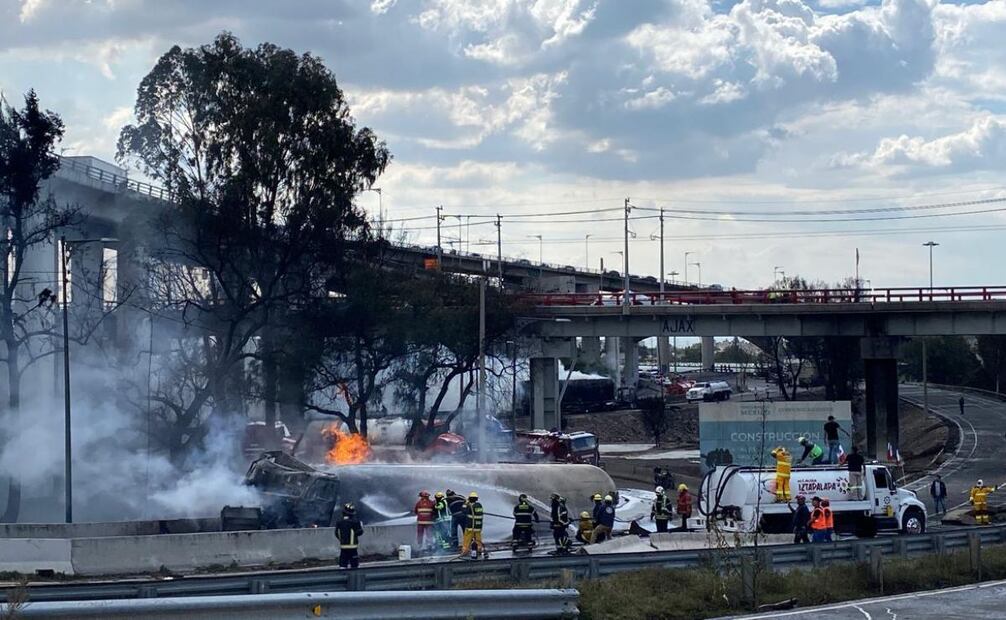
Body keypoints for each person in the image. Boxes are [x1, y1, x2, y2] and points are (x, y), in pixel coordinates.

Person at [459, 491, 489, 559]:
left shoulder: (469, 506)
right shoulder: (479, 505)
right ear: (476, 499)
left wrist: (465, 503)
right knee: (478, 539)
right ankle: (479, 550)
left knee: (467, 539)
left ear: (470, 498)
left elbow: (463, 511)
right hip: (478, 527)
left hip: (470, 527)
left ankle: (465, 551)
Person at [335, 502, 364, 569]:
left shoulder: (339, 522)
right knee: (354, 565)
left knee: (342, 565)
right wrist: (361, 527)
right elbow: (359, 532)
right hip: (353, 547)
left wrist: (342, 540)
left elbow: (336, 533)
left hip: (343, 547)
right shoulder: (355, 522)